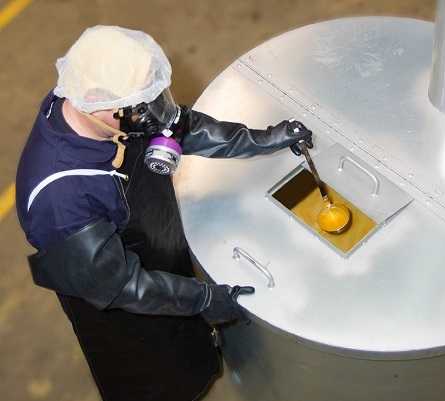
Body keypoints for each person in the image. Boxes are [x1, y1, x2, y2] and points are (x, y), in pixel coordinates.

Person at [15, 25, 313, 401]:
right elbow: (122, 286)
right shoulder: (59, 199)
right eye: (142, 103)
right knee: (163, 381)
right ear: (96, 99)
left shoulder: (103, 112)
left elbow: (177, 128)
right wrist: (205, 299)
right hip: (127, 321)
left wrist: (266, 138)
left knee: (195, 354)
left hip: (161, 261)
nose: (151, 113)